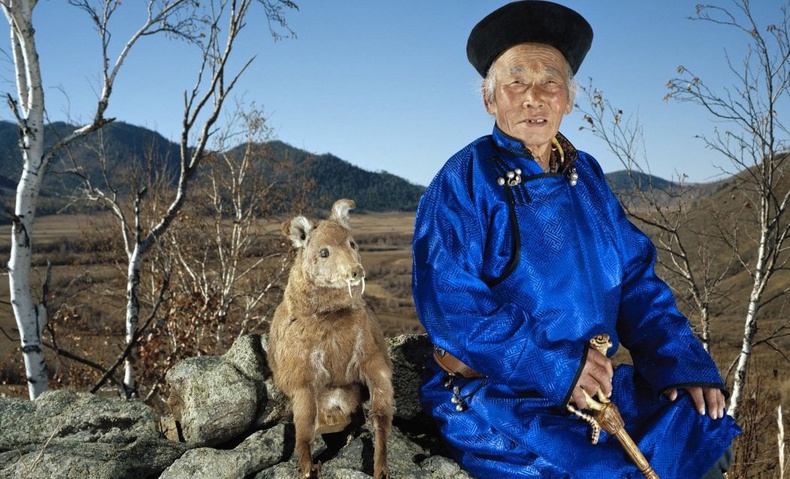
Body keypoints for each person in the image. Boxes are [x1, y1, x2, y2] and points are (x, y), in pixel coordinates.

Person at [411, 1, 741, 478]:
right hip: (502, 393)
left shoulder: (584, 174)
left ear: (568, 98)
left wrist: (679, 361)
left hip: (592, 390)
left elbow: (635, 280)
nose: (533, 97)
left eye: (550, 82)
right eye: (516, 82)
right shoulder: (463, 181)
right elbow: (451, 307)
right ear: (490, 100)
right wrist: (554, 368)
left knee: (702, 430)